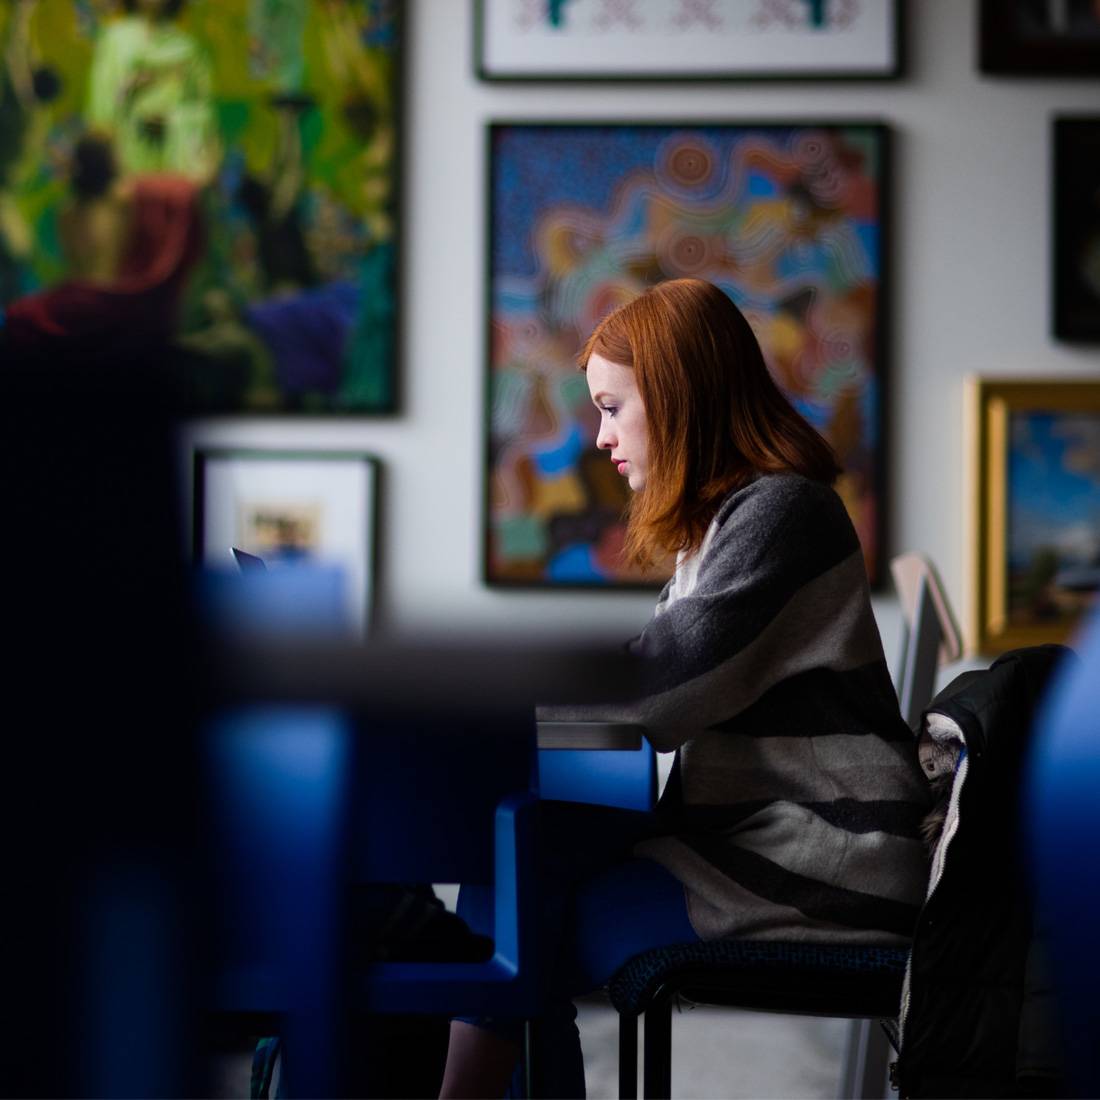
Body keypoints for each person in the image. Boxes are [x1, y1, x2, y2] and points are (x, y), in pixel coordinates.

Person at [439, 278, 931, 1098]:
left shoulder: (782, 515)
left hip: (824, 863)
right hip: (756, 843)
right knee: (521, 865)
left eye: (612, 407)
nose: (600, 437)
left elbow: (655, 693)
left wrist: (482, 695)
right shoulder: (727, 523)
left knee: (516, 907)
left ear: (677, 400)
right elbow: (654, 671)